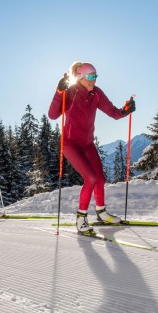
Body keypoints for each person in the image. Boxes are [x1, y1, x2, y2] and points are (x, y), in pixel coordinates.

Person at [48, 61, 136, 233]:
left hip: (87, 144)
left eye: (95, 76)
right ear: (80, 77)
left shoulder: (96, 93)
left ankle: (101, 213)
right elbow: (52, 115)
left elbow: (113, 112)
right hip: (70, 144)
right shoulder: (70, 92)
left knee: (100, 179)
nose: (93, 80)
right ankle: (81, 218)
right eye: (90, 77)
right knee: (91, 178)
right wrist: (59, 92)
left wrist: (125, 110)